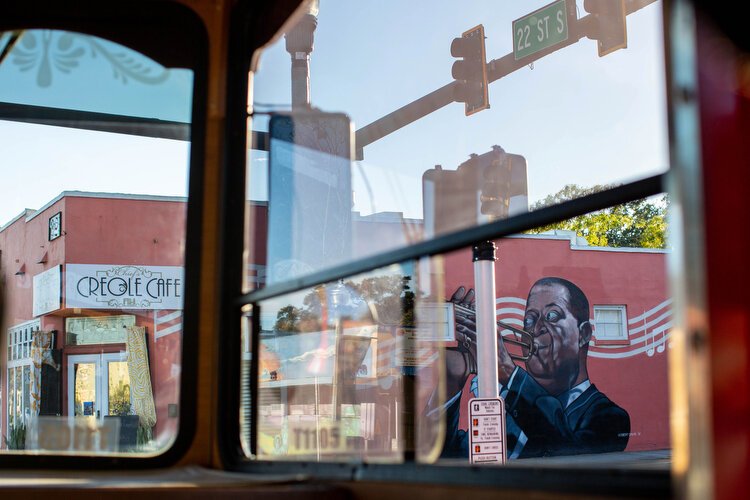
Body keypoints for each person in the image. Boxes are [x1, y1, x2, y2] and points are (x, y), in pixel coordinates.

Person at [439, 277, 630, 459]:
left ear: (583, 333)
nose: (536, 329)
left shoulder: (609, 417)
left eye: (552, 316)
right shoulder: (511, 407)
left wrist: (507, 371)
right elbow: (453, 455)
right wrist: (453, 377)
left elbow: (563, 450)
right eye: (529, 320)